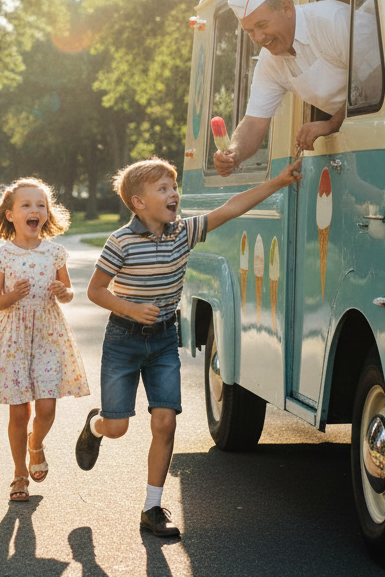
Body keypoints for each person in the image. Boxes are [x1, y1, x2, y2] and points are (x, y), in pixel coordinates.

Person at [75, 156, 302, 537]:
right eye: (162, 188)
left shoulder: (184, 231)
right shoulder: (121, 242)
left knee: (165, 422)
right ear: (138, 202)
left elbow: (231, 208)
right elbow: (95, 290)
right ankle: (95, 426)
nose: (174, 194)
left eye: (174, 186)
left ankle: (152, 508)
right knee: (117, 427)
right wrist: (131, 308)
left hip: (164, 340)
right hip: (123, 341)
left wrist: (278, 182)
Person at [214, 0, 385, 177]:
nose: (258, 38)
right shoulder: (269, 62)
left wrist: (330, 124)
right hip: (368, 117)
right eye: (249, 31)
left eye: (262, 25)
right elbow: (254, 122)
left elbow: (379, 81)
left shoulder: (331, 20)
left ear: (287, 8)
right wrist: (234, 154)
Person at [0, 178, 88, 502]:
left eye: (41, 205)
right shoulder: (2, 256)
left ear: (46, 213)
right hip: (13, 336)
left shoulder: (54, 253)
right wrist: (12, 295)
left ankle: (36, 442)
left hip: (48, 334)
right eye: (26, 205)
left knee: (46, 407)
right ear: (10, 215)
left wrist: (63, 292)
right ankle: (19, 474)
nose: (35, 210)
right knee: (18, 413)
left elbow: (69, 292)